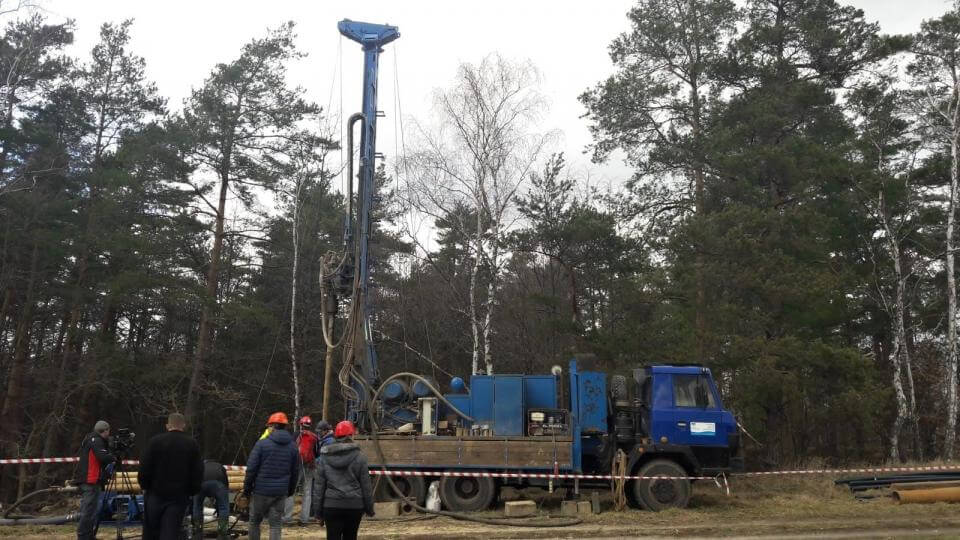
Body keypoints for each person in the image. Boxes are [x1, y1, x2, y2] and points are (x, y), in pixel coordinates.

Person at [137, 413, 203, 540]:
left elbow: (144, 466)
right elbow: (198, 471)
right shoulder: (191, 444)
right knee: (171, 532)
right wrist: (192, 490)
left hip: (155, 494)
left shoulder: (155, 441)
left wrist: (144, 485)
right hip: (178, 496)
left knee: (151, 531)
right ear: (183, 425)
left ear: (168, 425)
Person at [244, 412, 300, 540]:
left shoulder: (262, 444)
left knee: (254, 522)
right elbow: (295, 471)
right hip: (280, 492)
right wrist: (290, 490)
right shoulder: (293, 447)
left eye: (269, 426)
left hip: (261, 492)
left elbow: (251, 469)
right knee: (275, 524)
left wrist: (247, 489)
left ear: (273, 426)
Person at [315, 420, 374, 540]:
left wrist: (318, 513)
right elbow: (366, 486)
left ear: (336, 435)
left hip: (331, 505)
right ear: (351, 435)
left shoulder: (325, 457)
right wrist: (369, 509)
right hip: (354, 506)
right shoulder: (360, 457)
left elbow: (319, 487)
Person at [75, 420, 116, 540]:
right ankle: (83, 536)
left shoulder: (90, 439)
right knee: (88, 511)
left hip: (92, 479)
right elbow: (103, 457)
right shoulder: (96, 441)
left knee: (91, 511)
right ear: (106, 430)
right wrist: (113, 456)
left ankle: (88, 535)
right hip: (90, 480)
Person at [192, 459, 230, 540]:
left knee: (197, 506)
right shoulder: (220, 466)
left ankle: (197, 533)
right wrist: (219, 505)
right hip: (219, 484)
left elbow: (193, 479)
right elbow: (226, 485)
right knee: (224, 507)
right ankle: (222, 534)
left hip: (201, 484)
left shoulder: (200, 465)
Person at [295, 416, 320, 524]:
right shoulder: (315, 437)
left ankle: (287, 517)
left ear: (300, 424)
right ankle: (304, 519)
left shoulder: (296, 435)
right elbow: (317, 453)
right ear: (310, 426)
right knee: (307, 492)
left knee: (291, 491)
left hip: (297, 465)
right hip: (309, 466)